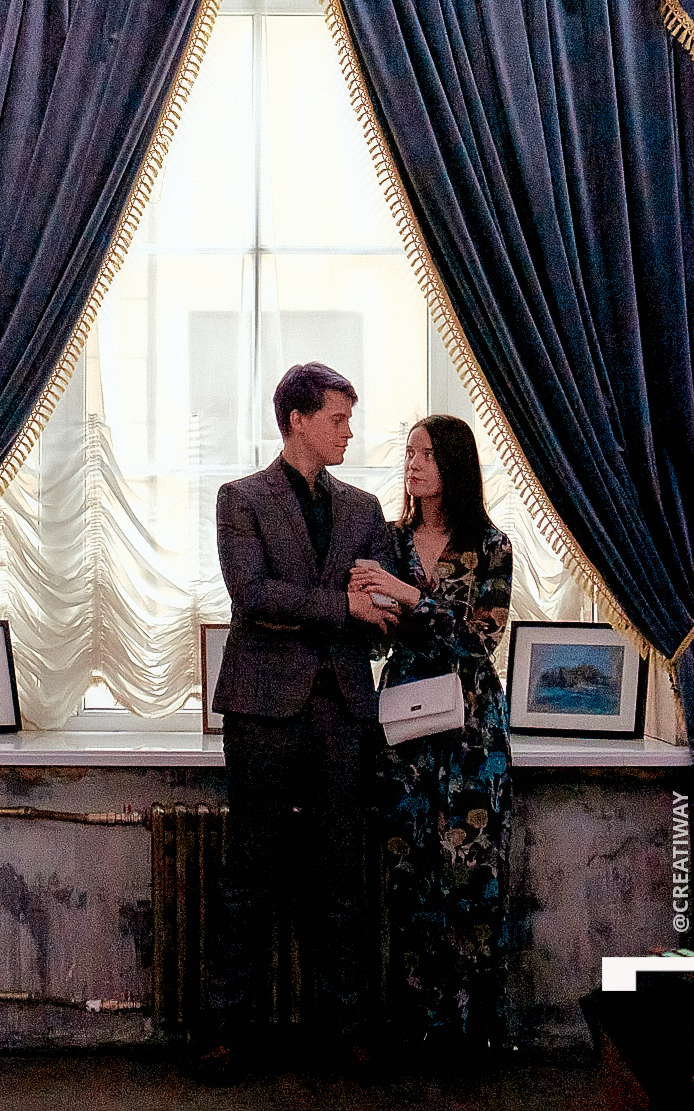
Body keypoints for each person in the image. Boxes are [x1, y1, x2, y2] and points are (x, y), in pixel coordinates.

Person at [204, 361, 401, 1077]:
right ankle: (227, 1032)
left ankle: (344, 1029)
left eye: (349, 419)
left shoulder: (364, 508)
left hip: (344, 707)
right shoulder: (241, 498)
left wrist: (370, 609)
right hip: (263, 707)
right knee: (249, 872)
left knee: (341, 873)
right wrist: (343, 606)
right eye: (338, 419)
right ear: (297, 421)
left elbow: (385, 608)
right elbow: (253, 595)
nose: (349, 432)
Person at [350, 413, 514, 1061]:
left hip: (471, 728)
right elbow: (372, 641)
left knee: (471, 874)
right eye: (410, 453)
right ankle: (414, 1026)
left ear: (454, 465)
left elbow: (480, 639)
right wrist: (368, 607)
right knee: (408, 874)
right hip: (404, 724)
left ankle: (472, 1031)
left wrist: (409, 598)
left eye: (426, 454)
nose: (413, 464)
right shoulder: (387, 542)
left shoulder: (491, 545)